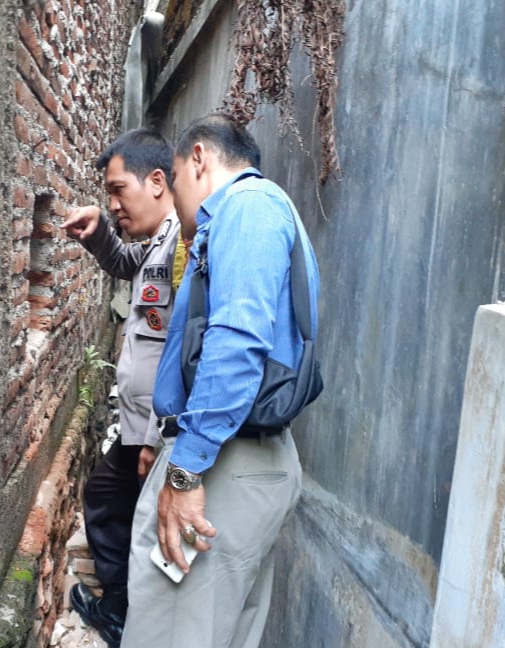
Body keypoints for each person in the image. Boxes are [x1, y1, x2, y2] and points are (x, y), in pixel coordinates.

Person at [120, 113, 321, 648]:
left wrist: (185, 470)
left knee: (171, 633)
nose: (178, 202)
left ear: (199, 159)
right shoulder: (260, 214)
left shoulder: (247, 209)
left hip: (225, 463)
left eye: (177, 179)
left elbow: (236, 345)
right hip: (234, 457)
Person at [60, 128, 183, 648]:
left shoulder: (185, 243)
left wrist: (157, 437)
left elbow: (183, 348)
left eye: (117, 191)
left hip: (153, 432)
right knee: (111, 500)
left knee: (126, 513)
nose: (112, 205)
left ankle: (129, 618)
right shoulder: (159, 241)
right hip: (137, 425)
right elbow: (124, 263)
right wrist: (97, 233)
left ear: (156, 181)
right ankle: (121, 609)